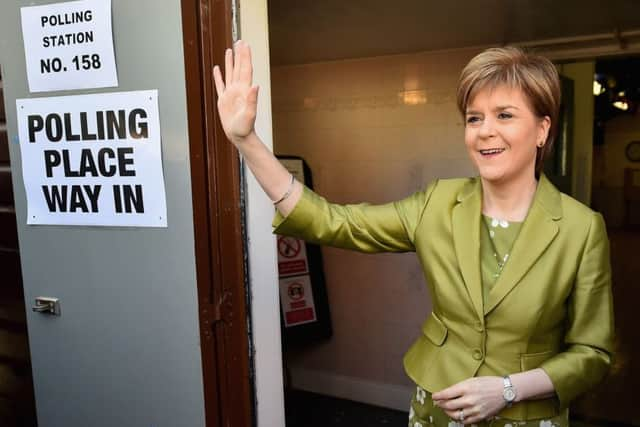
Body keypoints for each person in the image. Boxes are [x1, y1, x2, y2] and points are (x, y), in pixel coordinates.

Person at [213, 41, 614, 427]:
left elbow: (592, 353)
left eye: (504, 115)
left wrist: (508, 389)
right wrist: (246, 141)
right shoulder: (437, 203)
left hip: (528, 416)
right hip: (437, 409)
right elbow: (331, 221)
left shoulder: (581, 228)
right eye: (474, 118)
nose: (484, 131)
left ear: (542, 129)